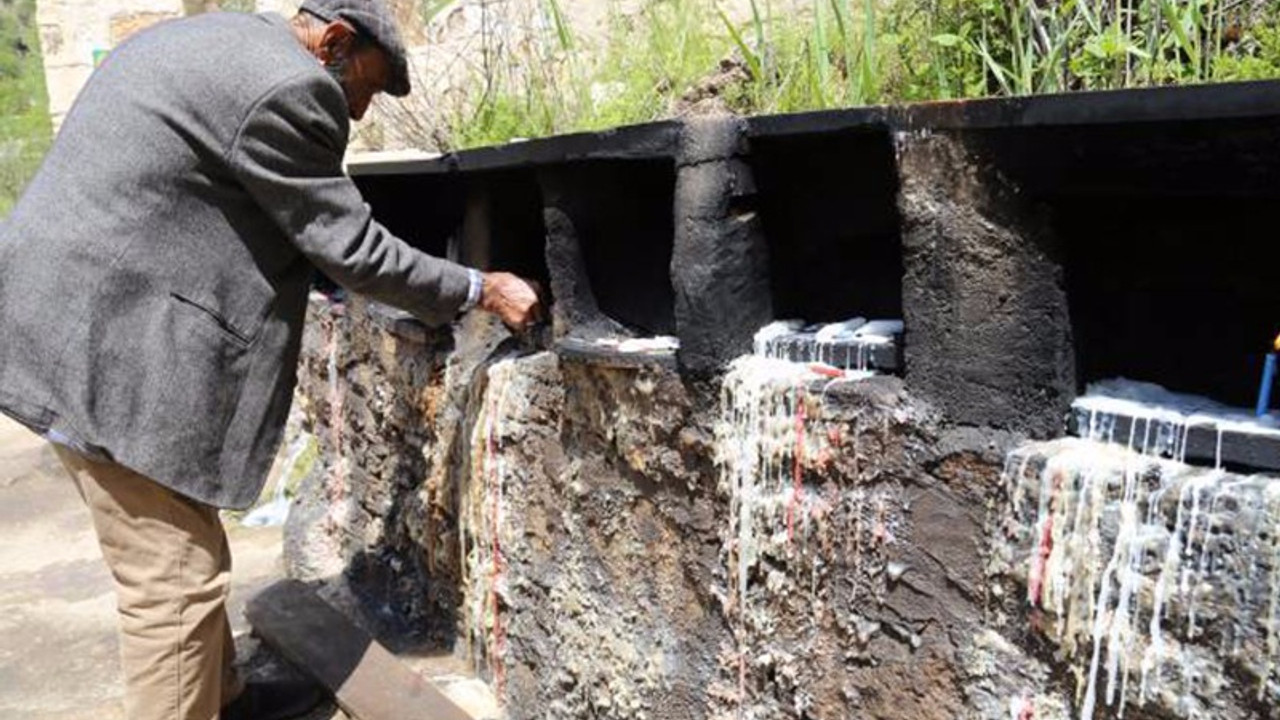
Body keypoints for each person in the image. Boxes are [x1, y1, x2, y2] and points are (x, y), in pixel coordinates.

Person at [0, 1, 542, 718]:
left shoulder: (213, 39)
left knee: (184, 534)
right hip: (108, 343)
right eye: (367, 89)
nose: (360, 112)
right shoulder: (292, 88)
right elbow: (353, 251)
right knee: (174, 580)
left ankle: (223, 698)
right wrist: (480, 287)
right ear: (334, 42)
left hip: (71, 312)